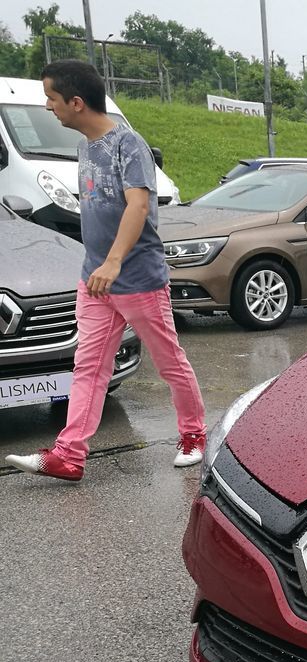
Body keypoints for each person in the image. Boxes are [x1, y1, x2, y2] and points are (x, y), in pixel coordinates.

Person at [5, 60, 206, 483]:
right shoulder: (84, 148)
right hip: (94, 279)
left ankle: (193, 435)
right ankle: (69, 454)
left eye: (52, 99)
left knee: (170, 361)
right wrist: (97, 264)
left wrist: (114, 261)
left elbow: (137, 206)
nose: (48, 107)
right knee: (88, 367)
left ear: (76, 102)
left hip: (137, 279)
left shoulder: (128, 144)